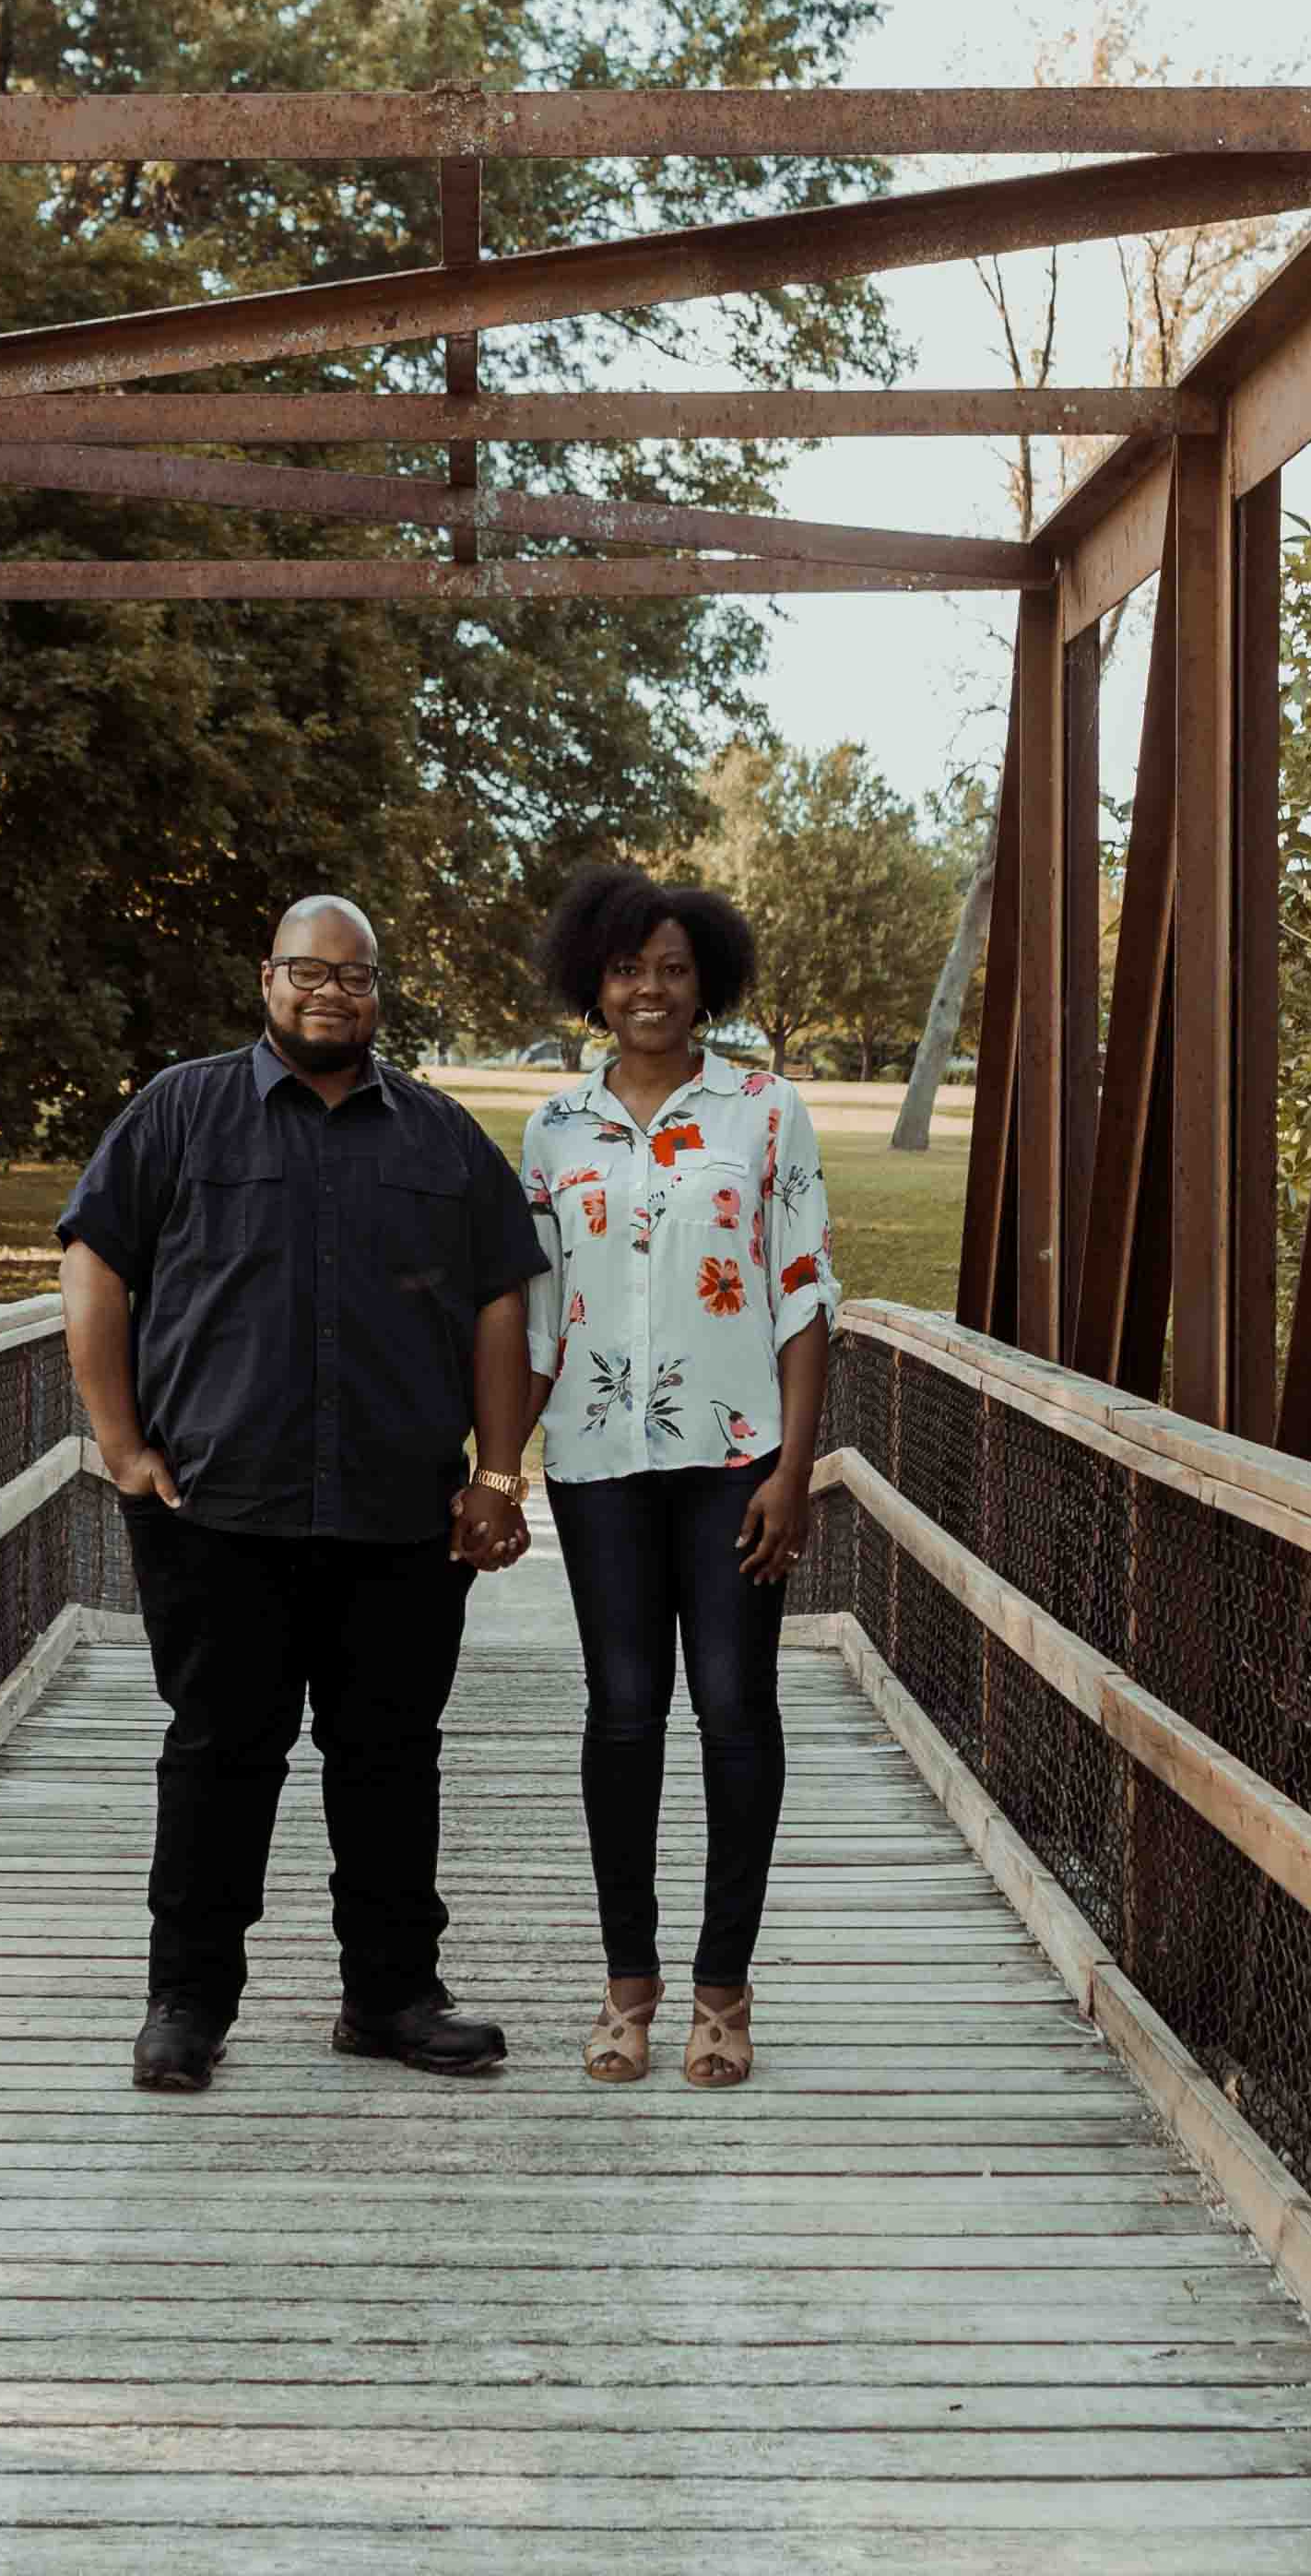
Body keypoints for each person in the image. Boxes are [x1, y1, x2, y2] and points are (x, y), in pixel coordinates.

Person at [56, 895, 544, 2093]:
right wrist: (120, 1445)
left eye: (356, 975)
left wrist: (497, 1470)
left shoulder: (440, 1139)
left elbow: (502, 1303)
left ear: (381, 992)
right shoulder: (180, 1112)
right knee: (222, 1754)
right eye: (306, 970)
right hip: (220, 1509)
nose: (331, 992)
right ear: (264, 977)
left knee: (390, 1760)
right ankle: (187, 2005)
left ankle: (390, 1998)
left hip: (399, 1515)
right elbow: (95, 1264)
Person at [513, 860, 833, 2089]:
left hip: (736, 1461)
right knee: (625, 1712)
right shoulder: (553, 1129)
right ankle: (628, 1992)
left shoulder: (766, 1111)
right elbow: (536, 1319)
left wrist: (794, 1469)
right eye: (628, 969)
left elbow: (803, 1297)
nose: (651, 989)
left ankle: (723, 1994)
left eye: (674, 969)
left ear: (706, 985)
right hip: (599, 1465)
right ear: (593, 984)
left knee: (738, 1708)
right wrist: (495, 1470)